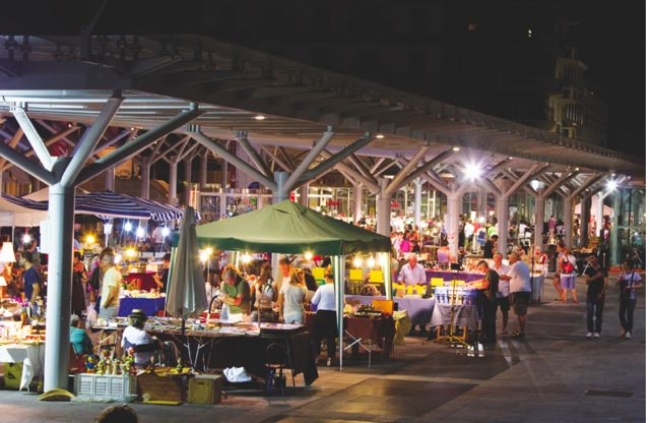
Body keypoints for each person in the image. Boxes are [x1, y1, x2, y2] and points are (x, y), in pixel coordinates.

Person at [502, 251, 531, 338]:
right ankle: (520, 330)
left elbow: (508, 277)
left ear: (514, 258)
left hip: (520, 291)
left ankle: (521, 331)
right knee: (522, 312)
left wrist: (496, 276)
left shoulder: (516, 265)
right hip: (525, 290)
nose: (509, 259)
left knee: (520, 312)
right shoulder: (524, 265)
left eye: (510, 257)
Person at [311, 271, 337, 366]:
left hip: (321, 312)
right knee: (331, 336)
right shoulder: (337, 288)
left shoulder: (322, 288)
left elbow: (314, 301)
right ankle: (330, 358)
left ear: (326, 277)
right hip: (333, 313)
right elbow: (343, 304)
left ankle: (316, 357)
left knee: (316, 336)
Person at [471, 260, 498, 343]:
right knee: (488, 318)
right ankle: (488, 337)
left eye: (480, 269)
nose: (480, 271)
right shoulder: (491, 273)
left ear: (483, 267)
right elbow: (482, 281)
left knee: (488, 318)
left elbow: (485, 285)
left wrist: (475, 287)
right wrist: (472, 283)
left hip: (489, 298)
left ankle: (488, 338)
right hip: (490, 297)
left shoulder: (490, 273)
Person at [616, 259, 643, 339]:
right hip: (623, 296)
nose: (623, 265)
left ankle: (628, 331)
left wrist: (632, 287)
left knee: (629, 314)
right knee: (621, 314)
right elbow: (616, 284)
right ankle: (625, 327)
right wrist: (620, 279)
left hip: (631, 297)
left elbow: (641, 285)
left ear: (629, 265)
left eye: (625, 264)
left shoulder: (635, 274)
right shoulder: (621, 274)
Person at [584, 255, 606, 338]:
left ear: (597, 259)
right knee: (590, 313)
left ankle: (597, 331)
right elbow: (587, 280)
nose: (592, 260)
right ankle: (590, 330)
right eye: (590, 259)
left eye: (593, 258)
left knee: (598, 313)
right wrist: (596, 276)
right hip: (590, 293)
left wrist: (602, 292)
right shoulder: (589, 269)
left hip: (599, 293)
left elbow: (605, 282)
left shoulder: (602, 269)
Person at [98, 247, 122, 320]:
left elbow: (112, 292)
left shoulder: (111, 273)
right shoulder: (111, 272)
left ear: (108, 261)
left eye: (104, 259)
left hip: (109, 308)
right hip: (110, 307)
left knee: (106, 329)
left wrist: (105, 305)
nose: (101, 261)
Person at [490, 251, 510, 336]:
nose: (497, 260)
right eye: (496, 258)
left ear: (502, 259)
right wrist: (501, 277)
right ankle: (492, 328)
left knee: (504, 311)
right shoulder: (491, 267)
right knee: (492, 311)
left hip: (504, 292)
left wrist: (497, 277)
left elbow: (508, 278)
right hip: (494, 292)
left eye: (499, 258)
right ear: (494, 259)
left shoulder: (507, 268)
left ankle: (504, 328)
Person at [71, 251, 87, 317]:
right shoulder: (69, 266)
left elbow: (86, 279)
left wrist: (81, 271)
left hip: (77, 291)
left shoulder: (81, 266)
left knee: (78, 312)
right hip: (70, 292)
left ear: (76, 258)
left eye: (73, 258)